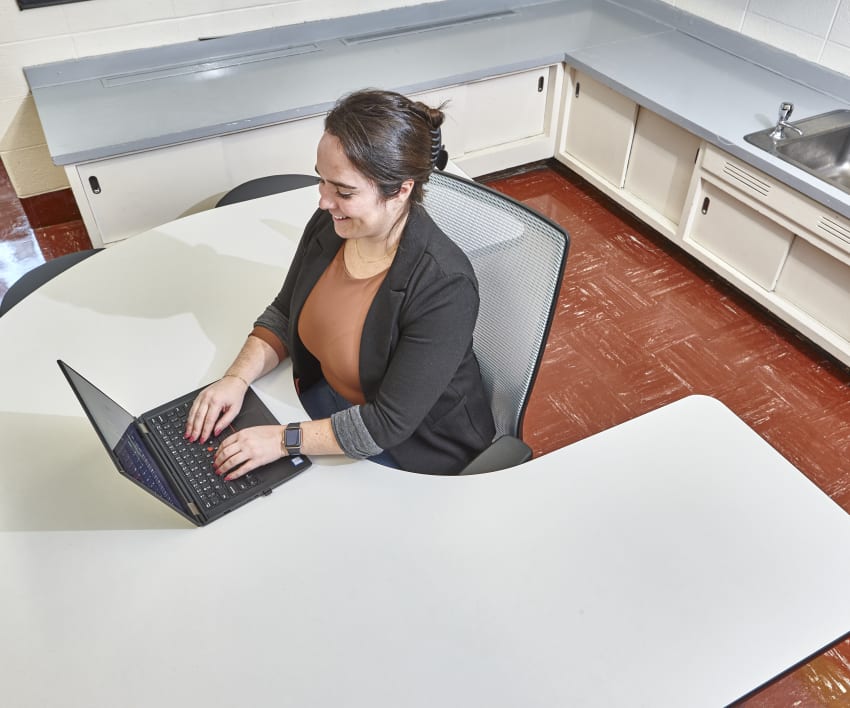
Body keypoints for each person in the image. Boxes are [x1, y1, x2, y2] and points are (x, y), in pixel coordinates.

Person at [185, 88, 495, 477]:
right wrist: (235, 379)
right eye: (322, 181)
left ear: (401, 190)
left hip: (410, 451)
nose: (323, 201)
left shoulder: (444, 286)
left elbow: (386, 425)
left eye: (344, 191)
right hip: (328, 406)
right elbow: (284, 313)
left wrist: (282, 441)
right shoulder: (334, 226)